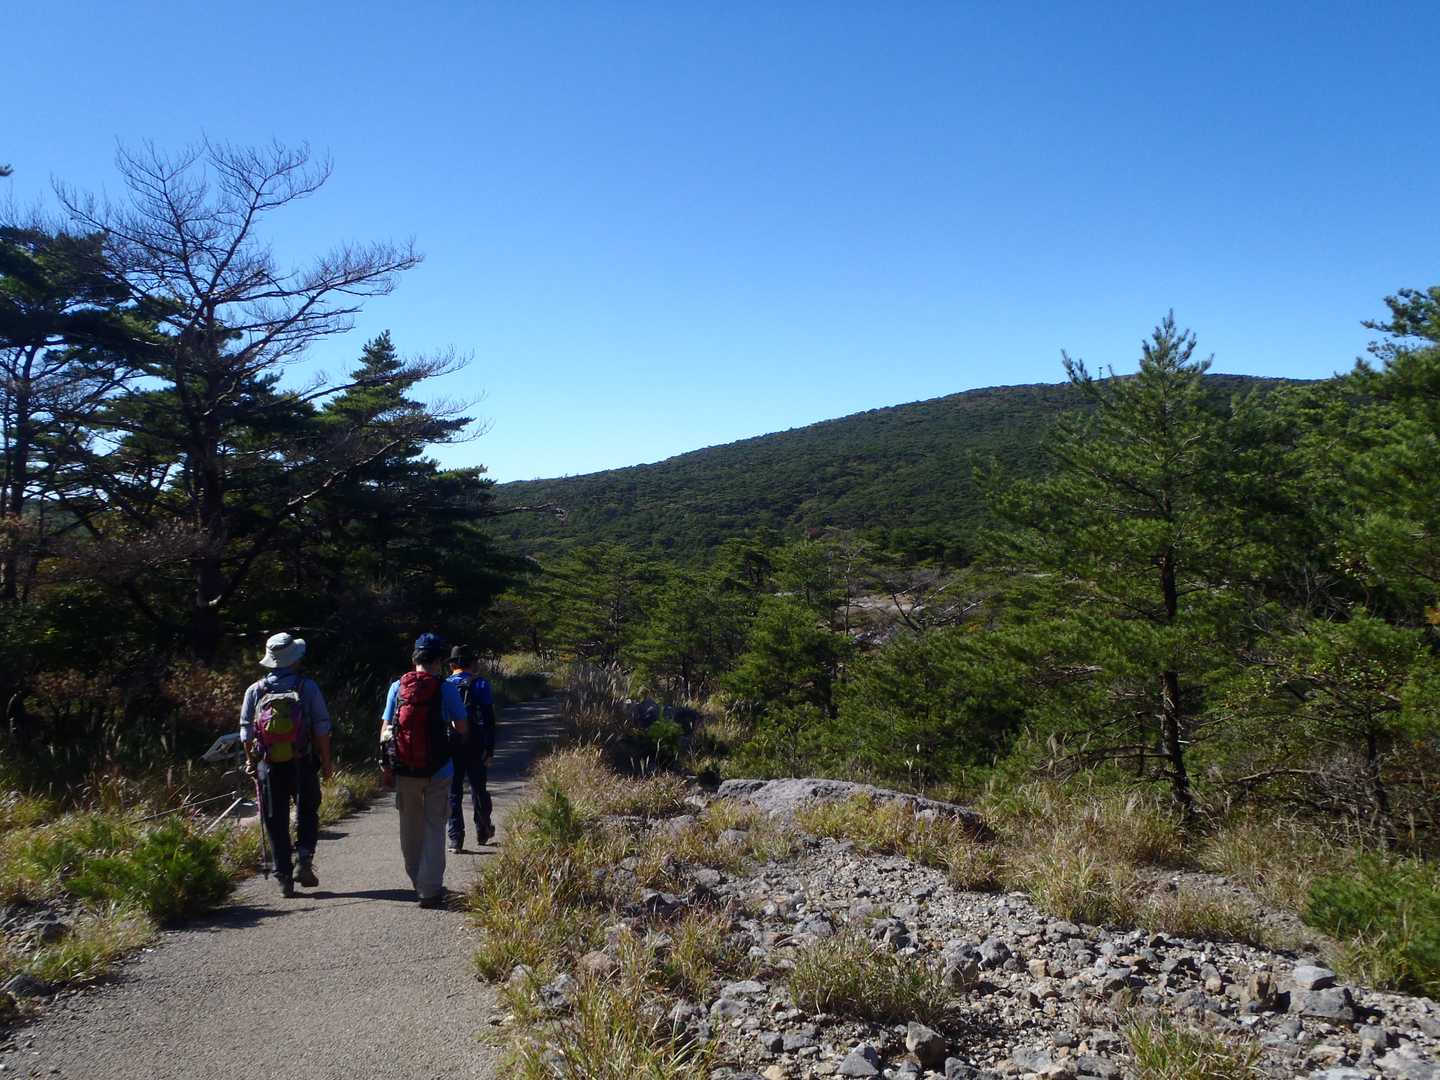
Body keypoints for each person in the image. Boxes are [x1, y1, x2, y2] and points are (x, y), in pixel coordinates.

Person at [239, 631, 334, 898]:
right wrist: (327, 763)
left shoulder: (255, 690)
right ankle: (303, 860)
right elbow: (322, 728)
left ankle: (283, 877)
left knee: (274, 818)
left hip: (268, 765)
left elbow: (246, 733)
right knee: (307, 810)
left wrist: (251, 762)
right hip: (302, 760)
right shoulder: (307, 687)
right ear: (294, 660)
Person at [379, 633, 468, 908]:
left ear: (414, 657)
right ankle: (430, 889)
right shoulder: (445, 688)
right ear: (439, 660)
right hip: (439, 769)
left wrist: (386, 766)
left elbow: (385, 730)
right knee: (434, 827)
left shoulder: (397, 687)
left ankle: (417, 880)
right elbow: (462, 727)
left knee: (410, 828)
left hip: (404, 768)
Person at [446, 644, 497, 853]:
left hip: (451, 743)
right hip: (476, 742)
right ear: (472, 663)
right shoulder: (481, 683)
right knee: (478, 788)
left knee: (453, 791)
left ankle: (455, 839)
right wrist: (489, 749)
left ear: (452, 665)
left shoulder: (445, 685)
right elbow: (489, 719)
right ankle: (483, 830)